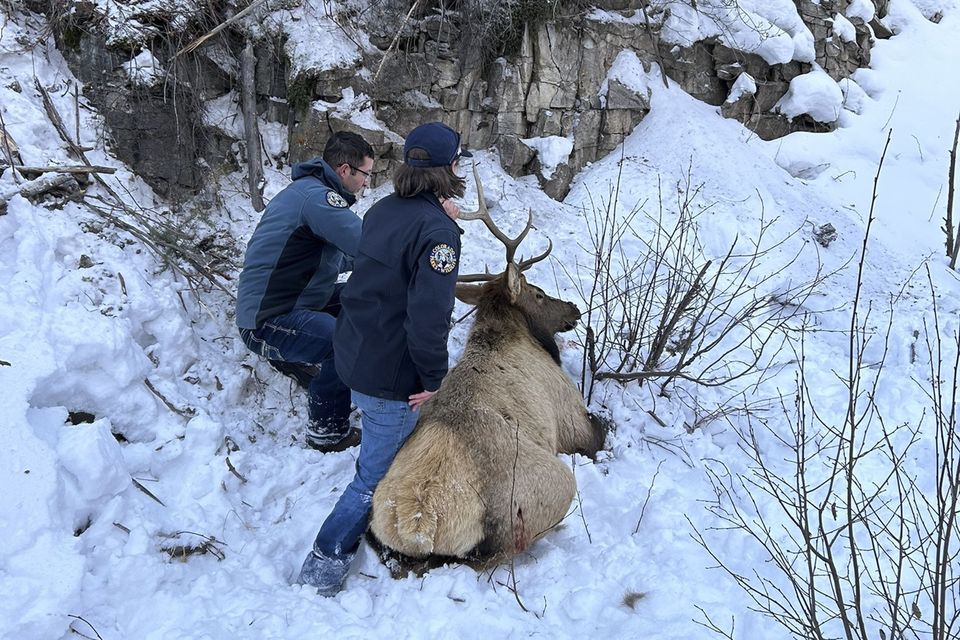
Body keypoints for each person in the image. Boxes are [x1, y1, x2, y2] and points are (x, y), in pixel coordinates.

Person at [296, 122, 471, 596]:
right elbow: (428, 319)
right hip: (391, 379)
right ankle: (324, 563)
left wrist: (440, 221)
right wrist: (434, 377)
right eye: (458, 161)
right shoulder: (438, 234)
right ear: (449, 169)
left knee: (380, 456)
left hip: (357, 356)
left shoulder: (384, 209)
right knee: (371, 478)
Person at [236, 131, 375, 453]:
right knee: (343, 341)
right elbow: (369, 246)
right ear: (344, 170)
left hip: (300, 300)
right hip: (267, 321)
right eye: (366, 174)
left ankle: (317, 366)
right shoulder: (318, 200)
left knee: (366, 296)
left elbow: (343, 258)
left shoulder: (309, 194)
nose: (368, 182)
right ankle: (328, 432)